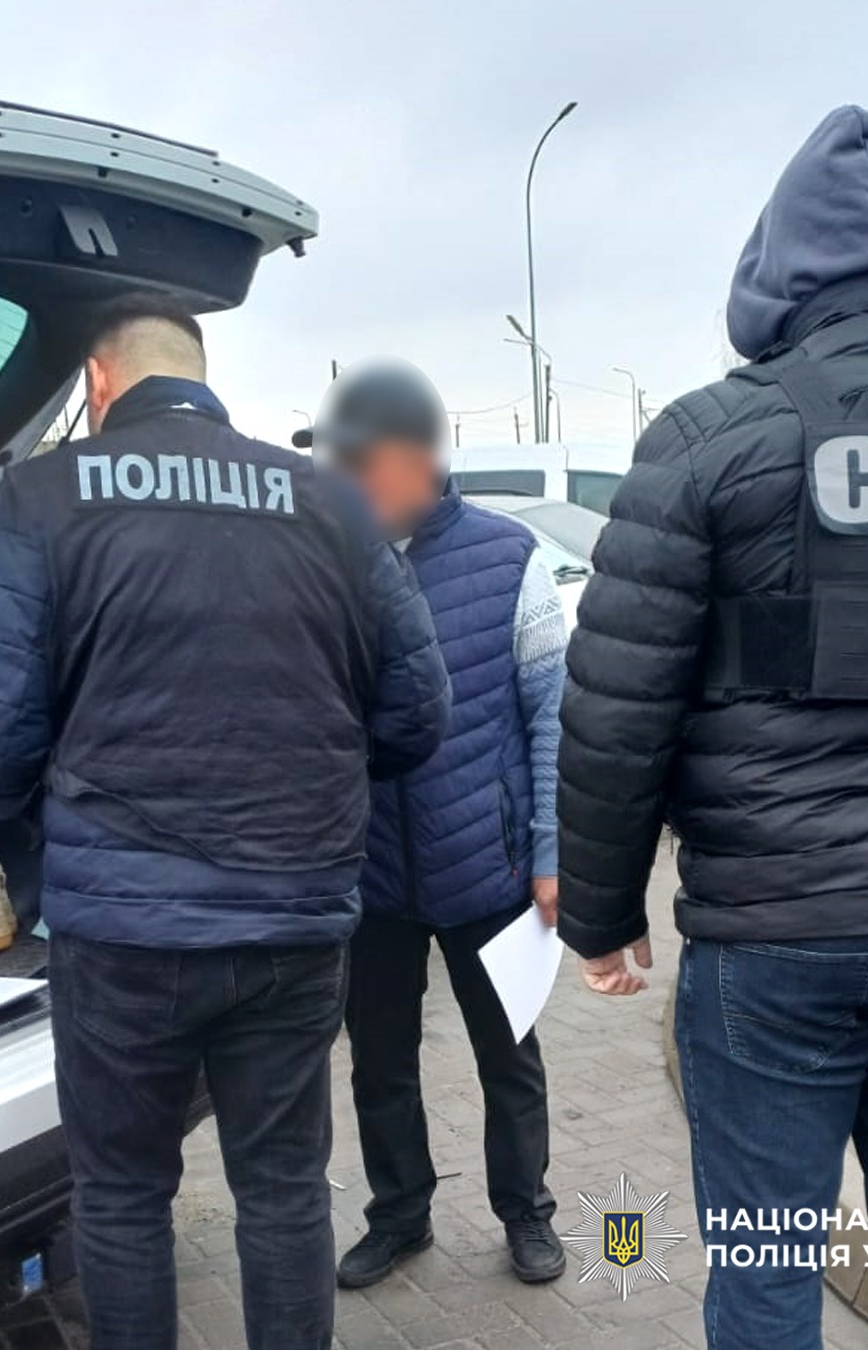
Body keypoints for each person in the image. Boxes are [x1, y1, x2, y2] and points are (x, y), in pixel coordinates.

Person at [556, 105, 868, 1350]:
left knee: (769, 1250)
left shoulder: (711, 437)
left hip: (777, 932)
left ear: (777, 266)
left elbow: (619, 706)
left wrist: (603, 916)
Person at [0, 296, 450, 1350]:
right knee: (284, 1190)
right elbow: (420, 714)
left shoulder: (46, 495)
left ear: (99, 383)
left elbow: (1, 735)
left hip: (123, 934)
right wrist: (309, 780)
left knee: (122, 1195)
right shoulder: (329, 503)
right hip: (295, 919)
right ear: (201, 374)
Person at [293, 360, 569, 1288]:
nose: (342, 479)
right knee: (379, 1062)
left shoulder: (511, 560)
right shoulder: (328, 562)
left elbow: (551, 721)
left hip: (489, 868)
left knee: (509, 1056)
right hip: (371, 873)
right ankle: (400, 1216)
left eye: (357, 461)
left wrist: (550, 853)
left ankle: (526, 1212)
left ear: (415, 459)